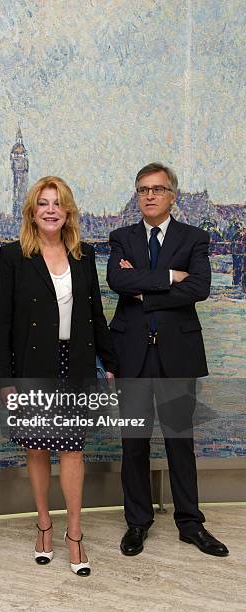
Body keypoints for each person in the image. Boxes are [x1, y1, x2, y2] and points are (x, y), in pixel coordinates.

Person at [0, 176, 117, 576]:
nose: (50, 210)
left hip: (76, 364)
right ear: (32, 211)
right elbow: (3, 325)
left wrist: (110, 362)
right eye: (43, 203)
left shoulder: (84, 255)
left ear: (67, 213)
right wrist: (6, 381)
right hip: (32, 367)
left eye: (57, 203)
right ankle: (44, 525)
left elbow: (96, 314)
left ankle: (74, 535)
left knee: (73, 450)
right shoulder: (13, 257)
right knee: (35, 449)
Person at [107, 162, 229, 557]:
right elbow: (117, 281)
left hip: (178, 355)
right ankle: (137, 523)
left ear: (172, 194)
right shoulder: (121, 237)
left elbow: (200, 287)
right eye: (143, 189)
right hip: (131, 355)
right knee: (134, 445)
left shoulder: (195, 237)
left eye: (157, 189)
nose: (149, 195)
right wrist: (170, 277)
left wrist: (144, 285)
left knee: (180, 442)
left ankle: (190, 524)